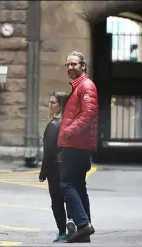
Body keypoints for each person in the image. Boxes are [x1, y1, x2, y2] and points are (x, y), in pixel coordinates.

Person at [57, 51, 98, 243]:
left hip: (76, 145)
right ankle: (85, 229)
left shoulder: (86, 86)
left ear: (83, 66)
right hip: (78, 144)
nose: (70, 68)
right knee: (79, 186)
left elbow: (89, 114)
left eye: (74, 64)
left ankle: (83, 224)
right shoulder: (78, 87)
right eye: (68, 65)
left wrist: (69, 131)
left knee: (67, 184)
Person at [39, 91, 76, 242]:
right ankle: (72, 220)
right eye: (49, 102)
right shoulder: (71, 124)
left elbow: (49, 152)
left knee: (57, 201)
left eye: (53, 103)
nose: (50, 105)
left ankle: (62, 232)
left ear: (60, 107)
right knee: (69, 197)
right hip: (70, 165)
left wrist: (43, 172)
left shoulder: (53, 126)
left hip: (56, 167)